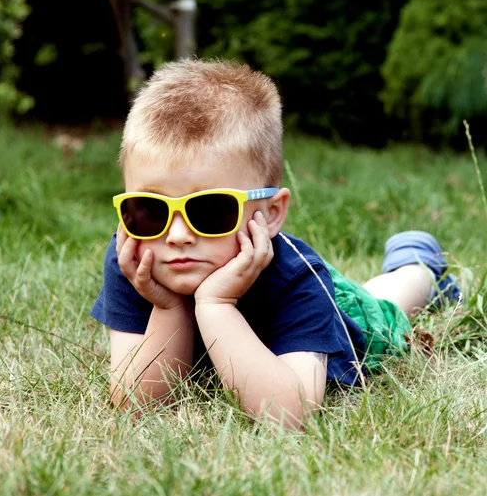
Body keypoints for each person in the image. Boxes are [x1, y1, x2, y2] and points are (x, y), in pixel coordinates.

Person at [90, 59, 459, 429]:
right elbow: (135, 405)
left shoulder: (297, 276)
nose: (177, 234)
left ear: (270, 213)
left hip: (342, 312)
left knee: (384, 303)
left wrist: (216, 304)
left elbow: (290, 415)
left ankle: (417, 259)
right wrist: (169, 307)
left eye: (211, 210)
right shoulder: (137, 256)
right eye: (149, 209)